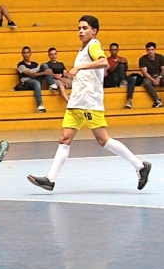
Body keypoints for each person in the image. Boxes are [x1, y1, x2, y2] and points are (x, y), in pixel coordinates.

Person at [27, 15, 151, 192]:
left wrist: (79, 68)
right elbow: (83, 78)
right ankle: (50, 179)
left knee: (103, 140)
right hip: (76, 102)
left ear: (94, 30)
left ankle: (140, 166)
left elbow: (103, 63)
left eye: (84, 28)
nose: (80, 31)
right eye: (79, 28)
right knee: (64, 139)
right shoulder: (82, 50)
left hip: (89, 102)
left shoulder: (94, 45)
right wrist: (66, 79)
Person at [15, 46, 59, 113]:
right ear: (22, 54)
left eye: (28, 52)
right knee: (36, 82)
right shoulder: (20, 65)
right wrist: (44, 72)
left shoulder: (35, 64)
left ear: (30, 53)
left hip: (36, 79)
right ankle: (40, 105)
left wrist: (48, 72)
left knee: (44, 65)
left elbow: (42, 71)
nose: (26, 54)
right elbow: (31, 74)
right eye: (24, 53)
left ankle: (52, 84)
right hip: (27, 82)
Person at [125, 42, 164, 109]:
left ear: (155, 50)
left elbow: (163, 70)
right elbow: (145, 73)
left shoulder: (160, 57)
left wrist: (159, 77)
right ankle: (157, 100)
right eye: (148, 50)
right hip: (150, 77)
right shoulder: (142, 59)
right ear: (146, 50)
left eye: (152, 49)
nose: (150, 52)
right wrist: (153, 80)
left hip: (160, 76)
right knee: (146, 82)